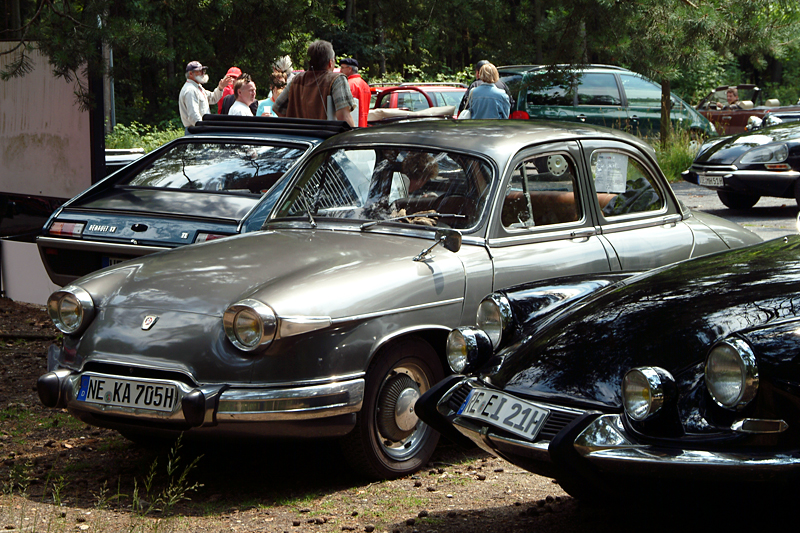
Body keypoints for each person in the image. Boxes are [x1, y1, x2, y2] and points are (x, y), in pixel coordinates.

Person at [272, 40, 356, 126]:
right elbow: (344, 117)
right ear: (330, 63)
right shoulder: (337, 80)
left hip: (298, 134)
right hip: (324, 134)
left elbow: (277, 108)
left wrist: (294, 124)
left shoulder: (296, 80)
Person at [179, 61, 234, 133]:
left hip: (198, 130)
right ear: (190, 73)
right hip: (196, 131)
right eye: (199, 71)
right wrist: (205, 129)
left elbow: (213, 98)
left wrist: (221, 87)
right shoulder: (190, 90)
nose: (203, 73)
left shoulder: (197, 87)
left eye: (203, 70)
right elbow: (194, 116)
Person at [340, 58, 370, 127]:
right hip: (363, 125)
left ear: (349, 69)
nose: (340, 70)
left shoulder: (349, 84)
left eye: (342, 68)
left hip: (352, 125)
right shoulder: (365, 84)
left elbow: (346, 110)